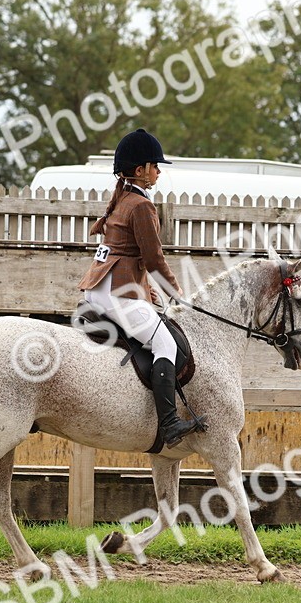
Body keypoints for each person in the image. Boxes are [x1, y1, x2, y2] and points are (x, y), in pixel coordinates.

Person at [78, 128, 206, 447]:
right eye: (155, 166)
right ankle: (170, 423)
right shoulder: (140, 206)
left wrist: (155, 298)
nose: (159, 171)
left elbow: (133, 261)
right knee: (166, 345)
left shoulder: (125, 199)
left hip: (105, 288)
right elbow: (153, 260)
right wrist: (179, 295)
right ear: (140, 171)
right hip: (117, 294)